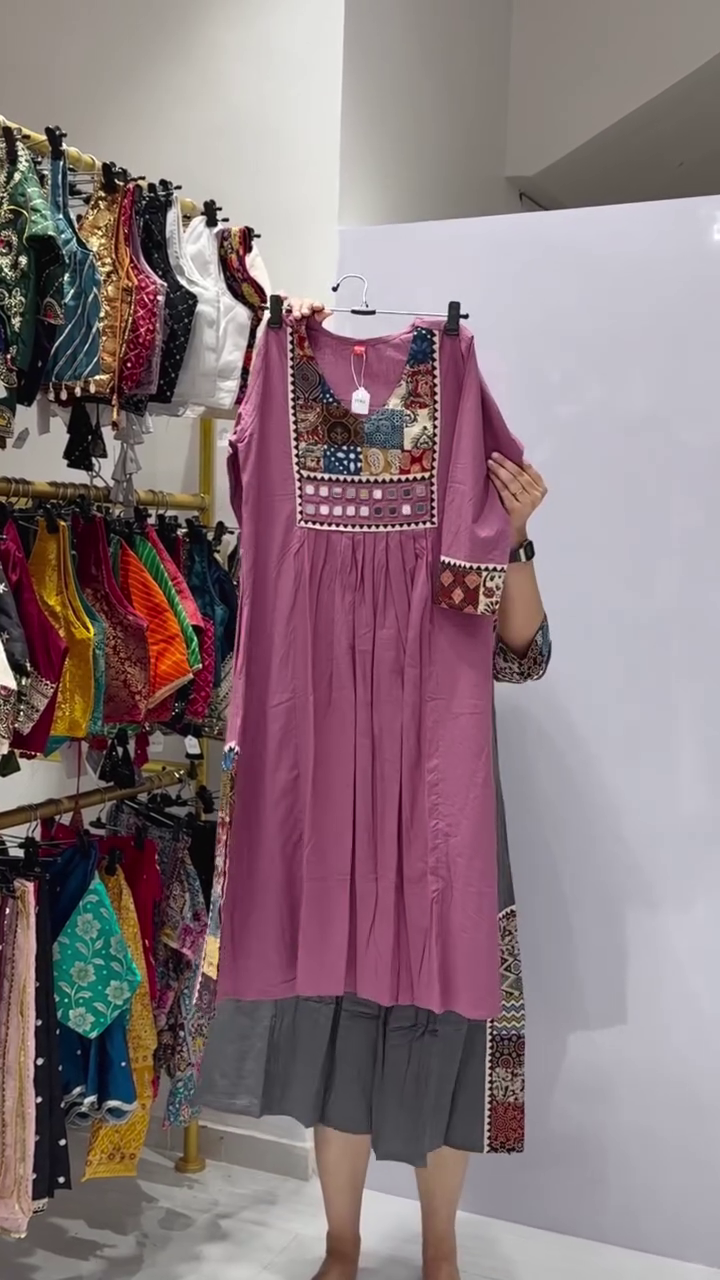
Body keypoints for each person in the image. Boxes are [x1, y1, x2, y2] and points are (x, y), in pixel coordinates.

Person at [201, 297, 550, 1280]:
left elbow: (523, 652)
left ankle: (441, 1252)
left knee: (446, 1019)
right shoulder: (276, 373)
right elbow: (258, 511)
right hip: (325, 788)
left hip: (440, 796)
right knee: (338, 1015)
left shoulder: (456, 383)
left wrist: (512, 532)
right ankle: (342, 1246)